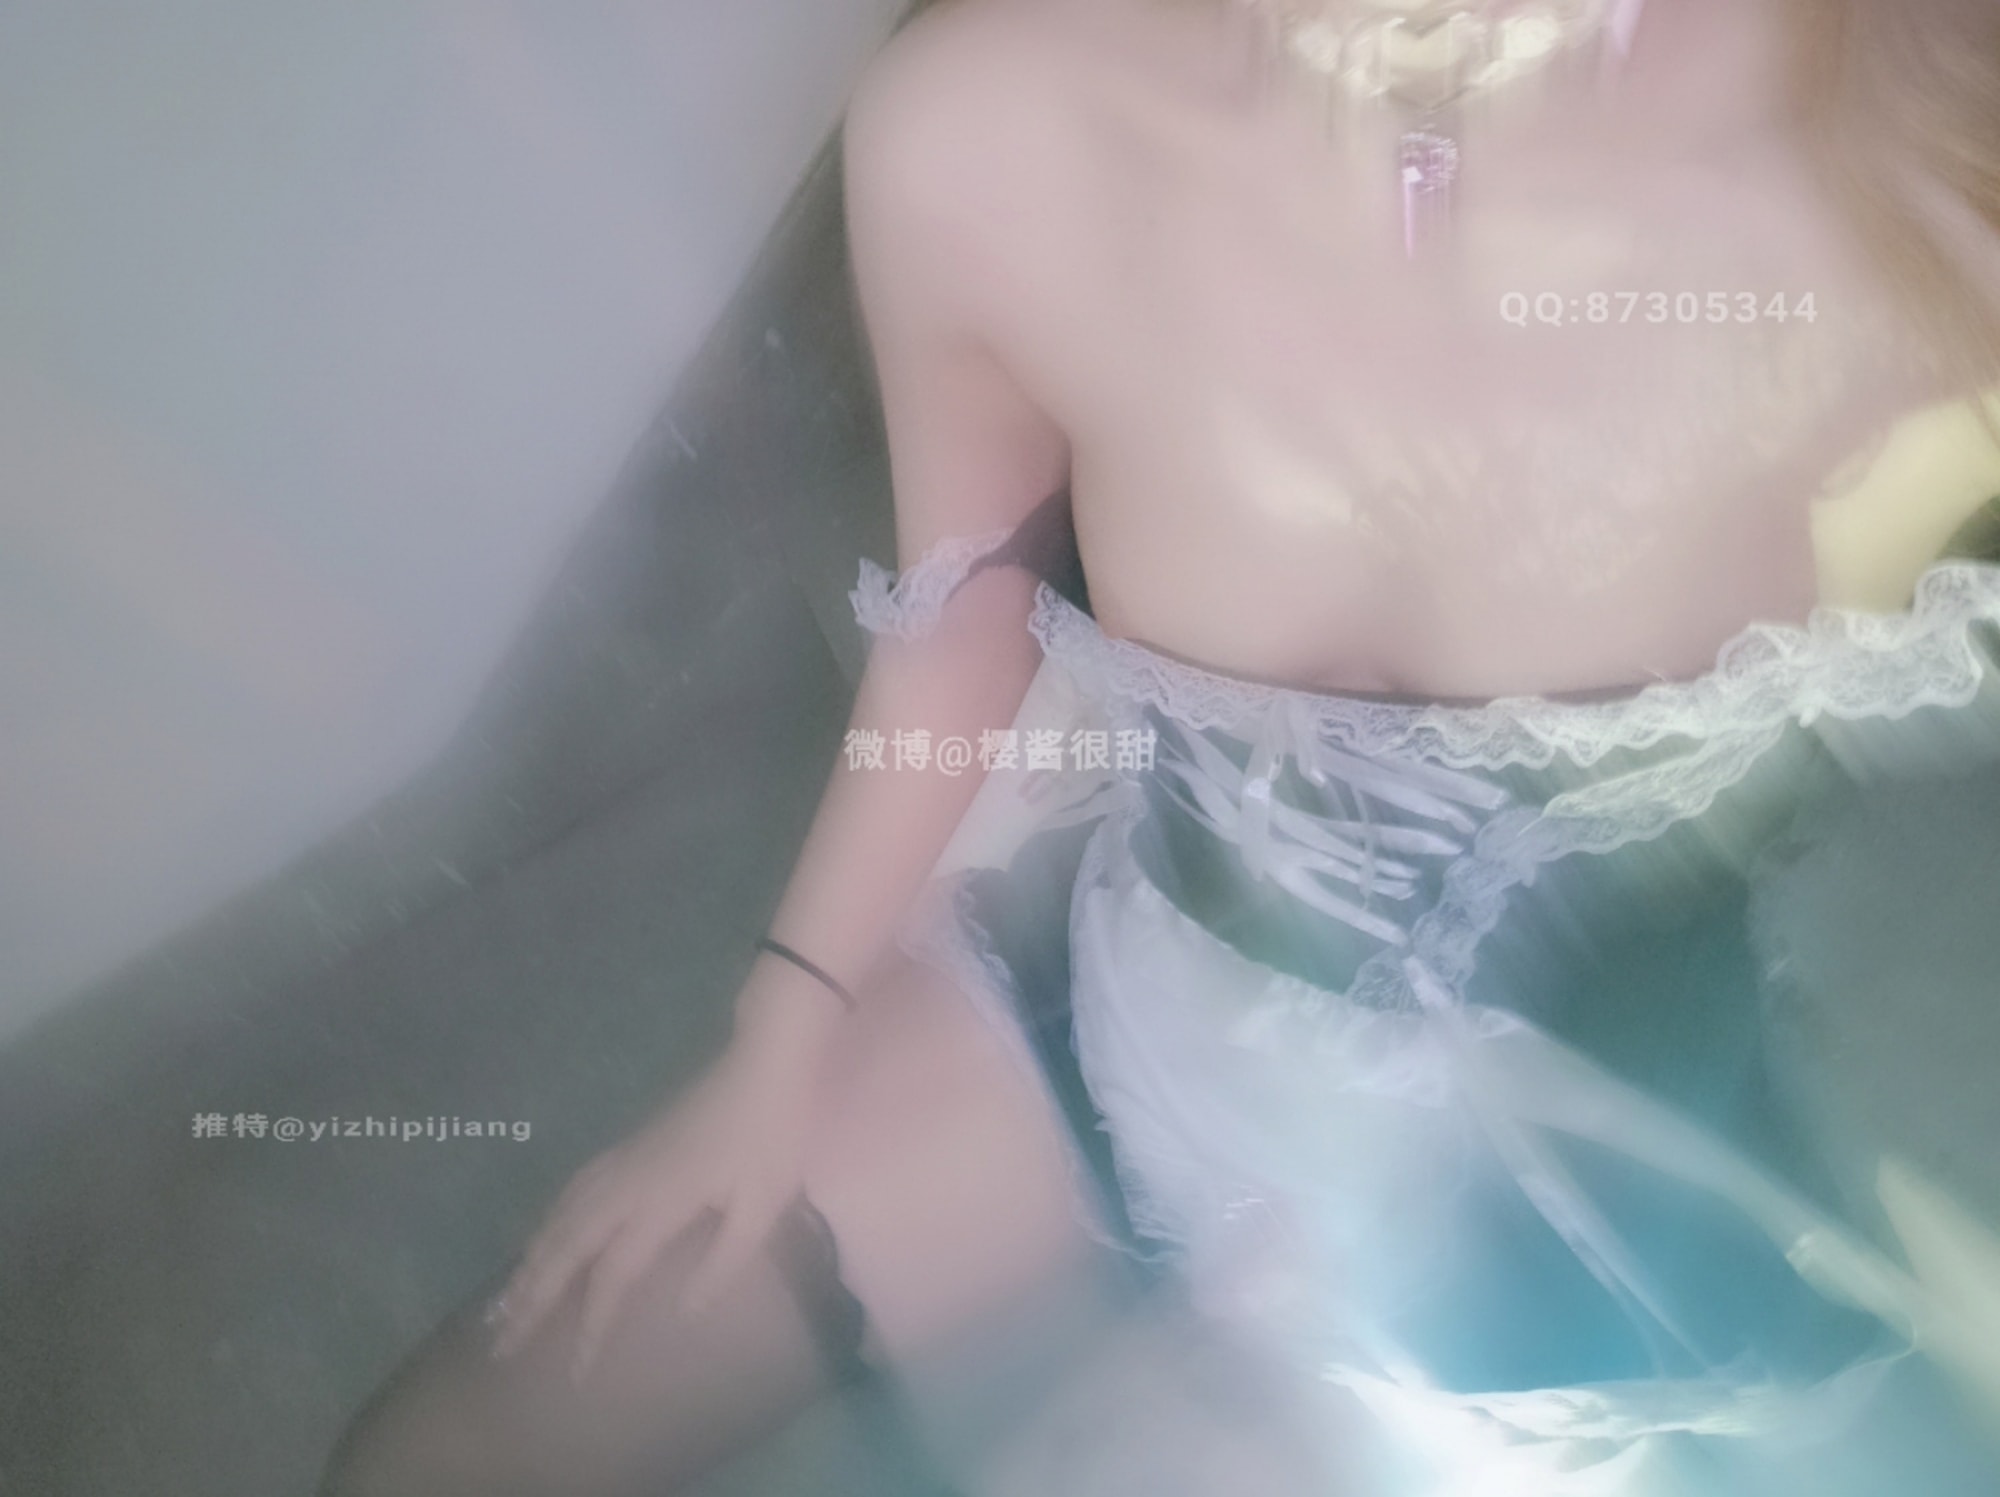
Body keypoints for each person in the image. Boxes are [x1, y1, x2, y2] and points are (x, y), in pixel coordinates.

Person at [322, 0, 2000, 1491]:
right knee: (442, 1457)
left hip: (1566, 1187)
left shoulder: (1908, 141)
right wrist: (781, 1033)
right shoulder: (989, 120)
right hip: (1135, 1012)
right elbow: (953, 631)